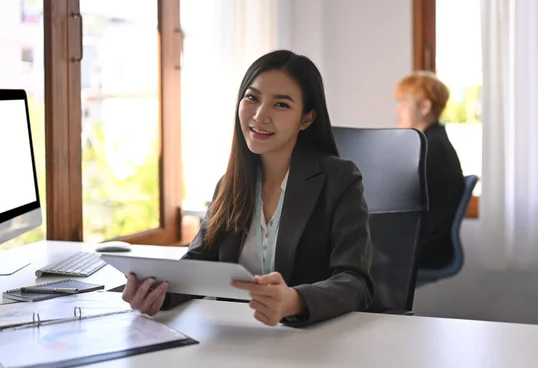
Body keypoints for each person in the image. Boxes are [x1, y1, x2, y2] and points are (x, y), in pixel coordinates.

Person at [122, 50, 375, 327]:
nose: (259, 115)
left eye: (281, 105)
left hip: (309, 341)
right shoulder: (230, 183)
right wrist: (158, 293)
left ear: (306, 119)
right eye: (252, 98)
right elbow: (200, 261)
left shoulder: (339, 179)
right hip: (237, 337)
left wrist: (296, 300)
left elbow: (355, 281)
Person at [395, 71, 464, 269]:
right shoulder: (431, 142)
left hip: (423, 248)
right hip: (422, 243)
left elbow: (399, 198)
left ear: (425, 106)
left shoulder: (432, 149)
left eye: (403, 102)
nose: (398, 110)